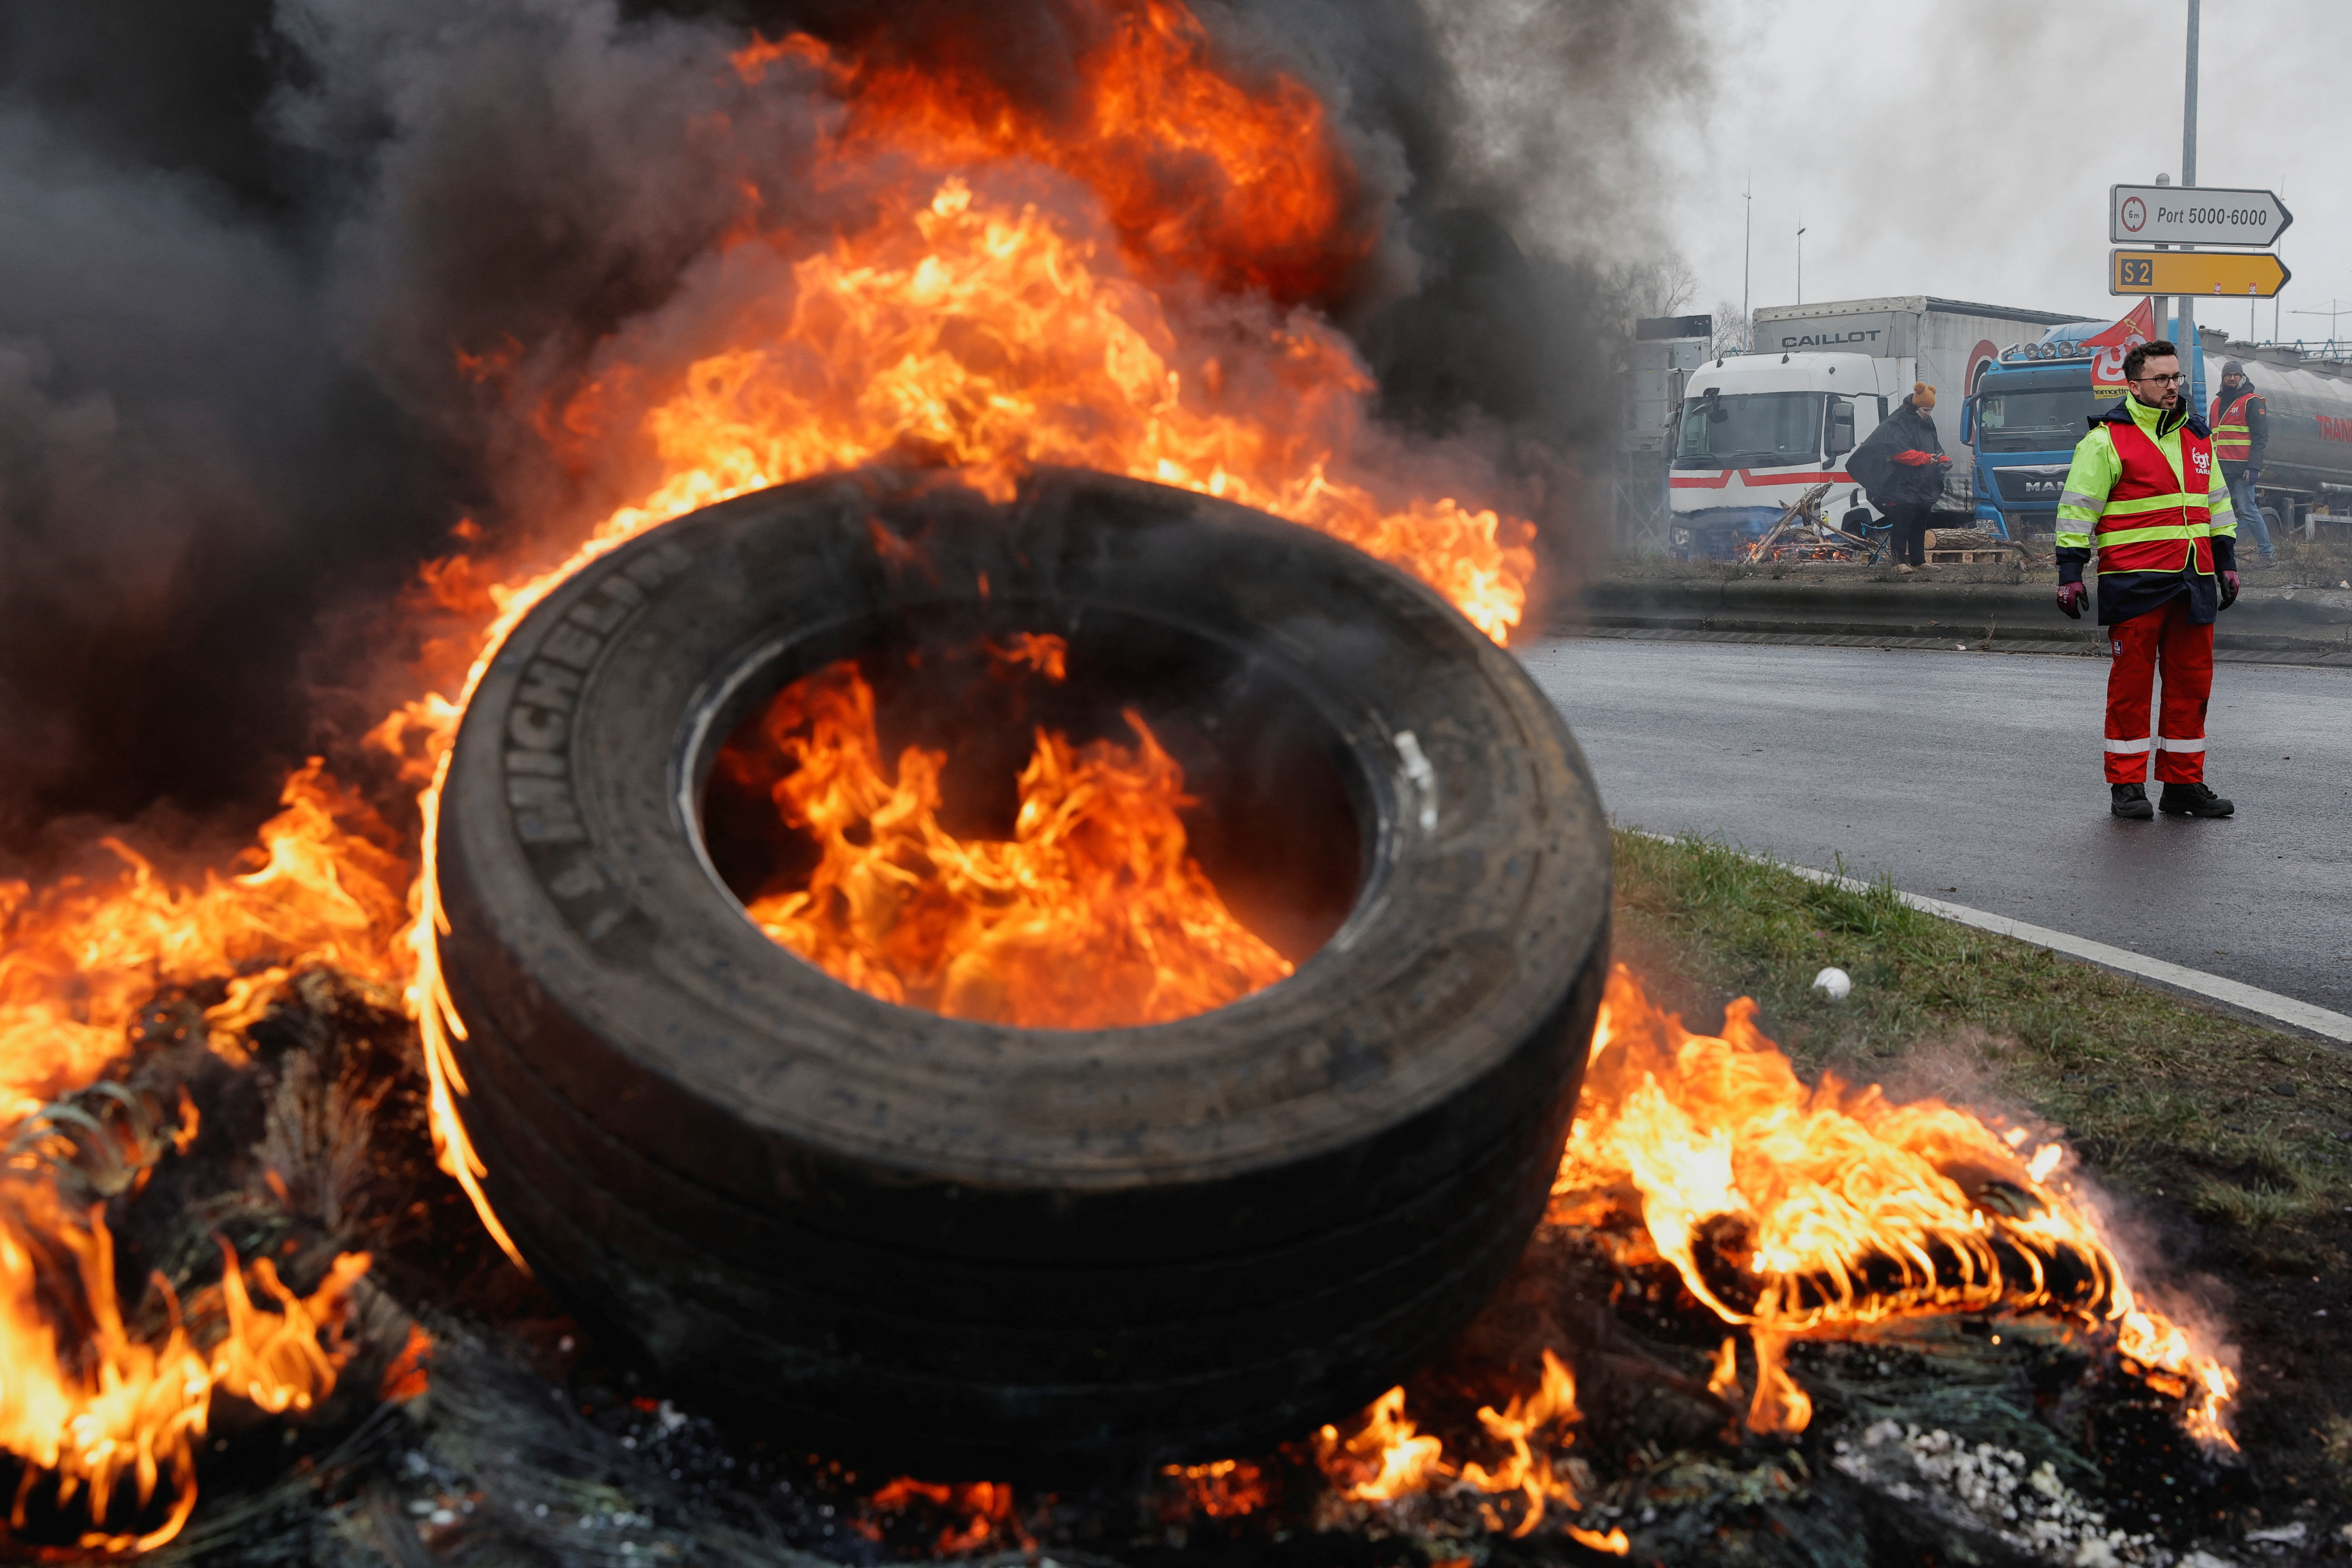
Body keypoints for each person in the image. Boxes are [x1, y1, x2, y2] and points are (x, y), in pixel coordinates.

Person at [2053, 340, 2238, 820]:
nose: (2173, 386)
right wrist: (2069, 572)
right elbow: (2077, 511)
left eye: (2176, 378)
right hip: (2135, 581)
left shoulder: (2198, 436)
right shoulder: (2105, 440)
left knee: (2191, 685)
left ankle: (2182, 785)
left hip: (2193, 579)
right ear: (2133, 385)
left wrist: (2227, 561)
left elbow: (2217, 504)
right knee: (2130, 688)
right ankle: (2127, 786)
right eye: (2162, 379)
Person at [1847, 383, 1950, 569]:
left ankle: (1919, 562)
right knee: (1902, 523)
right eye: (1926, 409)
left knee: (1920, 523)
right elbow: (1898, 453)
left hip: (1922, 484)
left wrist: (1943, 459)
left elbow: (1934, 449)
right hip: (1902, 484)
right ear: (1916, 406)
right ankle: (1898, 563)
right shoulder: (1899, 422)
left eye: (1931, 410)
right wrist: (1926, 459)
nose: (1929, 413)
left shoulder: (1927, 422)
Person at [2209, 359, 2275, 565]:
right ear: (2223, 378)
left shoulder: (2252, 401)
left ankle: (2267, 554)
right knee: (2216, 511)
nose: (2232, 378)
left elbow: (2260, 438)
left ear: (2242, 377)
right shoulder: (2217, 403)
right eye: (2228, 375)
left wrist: (2254, 466)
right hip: (2219, 468)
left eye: (2236, 375)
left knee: (2248, 510)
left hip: (2242, 469)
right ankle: (2218, 555)